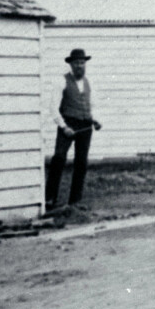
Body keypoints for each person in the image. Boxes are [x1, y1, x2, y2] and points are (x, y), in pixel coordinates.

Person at [45, 49, 102, 210]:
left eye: (82, 63)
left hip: (85, 125)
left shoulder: (90, 82)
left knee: (81, 162)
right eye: (76, 63)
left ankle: (75, 201)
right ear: (71, 64)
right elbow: (53, 108)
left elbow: (94, 106)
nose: (80, 66)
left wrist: (96, 120)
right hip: (68, 124)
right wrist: (63, 126)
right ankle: (50, 198)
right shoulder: (61, 81)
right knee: (59, 158)